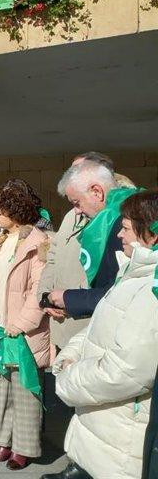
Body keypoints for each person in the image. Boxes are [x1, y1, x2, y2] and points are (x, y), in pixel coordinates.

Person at [44, 190, 158, 479]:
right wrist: (71, 354)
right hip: (104, 433)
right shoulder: (132, 274)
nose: (118, 235)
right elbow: (101, 323)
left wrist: (68, 380)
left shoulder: (151, 290)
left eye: (126, 228)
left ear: (152, 235)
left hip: (120, 444)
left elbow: (126, 372)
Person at [0, 181, 50, 471]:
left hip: (22, 329)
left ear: (15, 212)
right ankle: (3, 442)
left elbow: (39, 288)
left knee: (25, 390)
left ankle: (23, 449)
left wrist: (23, 323)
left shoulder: (38, 242)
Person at [39, 152, 131, 351]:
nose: (77, 210)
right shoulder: (75, 216)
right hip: (67, 328)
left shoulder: (125, 222)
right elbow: (53, 258)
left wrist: (70, 299)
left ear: (96, 191)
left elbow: (120, 290)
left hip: (96, 330)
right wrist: (46, 296)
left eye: (77, 203)